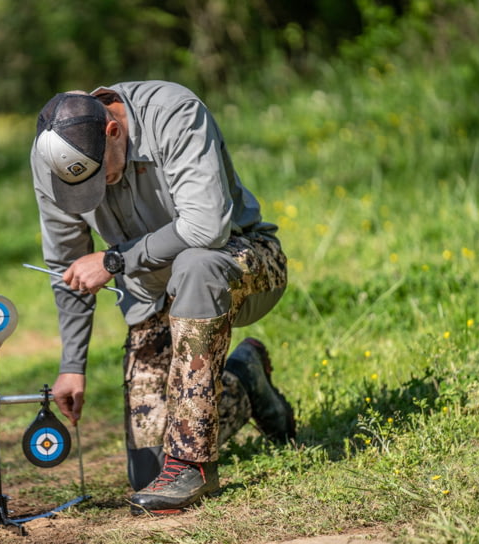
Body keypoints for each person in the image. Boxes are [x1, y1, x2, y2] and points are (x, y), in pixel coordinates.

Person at [29, 80, 295, 515]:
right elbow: (68, 267)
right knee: (149, 472)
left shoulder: (173, 113)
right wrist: (72, 366)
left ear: (113, 130)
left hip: (241, 262)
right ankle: (246, 381)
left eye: (101, 174)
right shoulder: (52, 155)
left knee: (196, 264)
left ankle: (194, 463)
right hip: (152, 297)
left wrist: (115, 260)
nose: (95, 192)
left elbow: (207, 229)